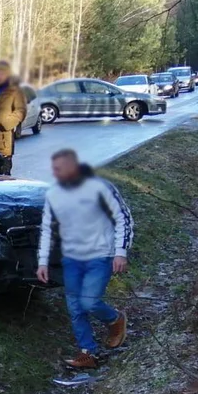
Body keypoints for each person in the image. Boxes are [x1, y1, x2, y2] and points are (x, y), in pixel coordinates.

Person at [36, 149, 132, 369]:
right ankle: (88, 352)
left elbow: (123, 219)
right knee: (75, 306)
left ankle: (115, 319)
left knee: (89, 302)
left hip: (101, 255)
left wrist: (120, 252)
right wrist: (43, 261)